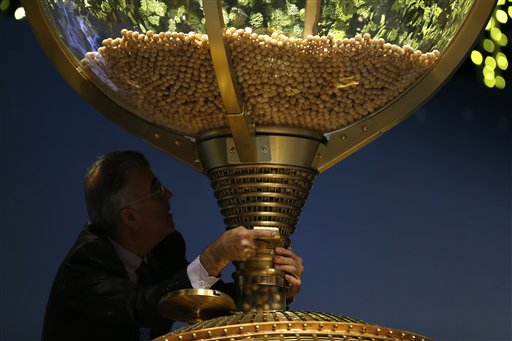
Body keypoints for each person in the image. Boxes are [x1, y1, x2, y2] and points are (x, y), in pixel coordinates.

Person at [41, 150, 304, 341]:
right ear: (129, 217)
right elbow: (145, 309)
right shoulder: (83, 268)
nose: (169, 194)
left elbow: (204, 301)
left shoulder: (163, 250)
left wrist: (274, 285)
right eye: (156, 189)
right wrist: (214, 257)